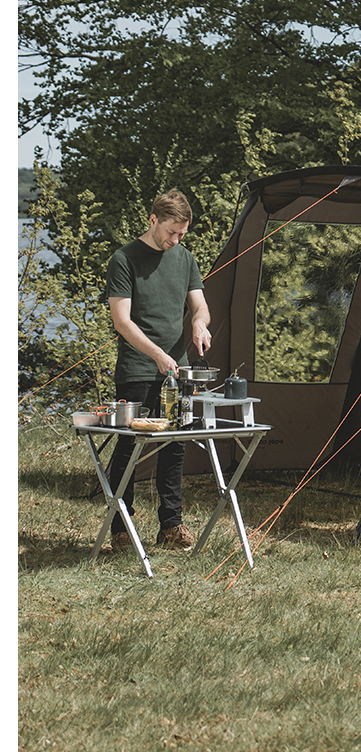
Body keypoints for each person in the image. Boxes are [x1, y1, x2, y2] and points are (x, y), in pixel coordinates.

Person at [105, 189, 211, 553]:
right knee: (128, 446)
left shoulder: (185, 258)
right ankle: (121, 527)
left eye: (182, 233)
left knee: (174, 445)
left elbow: (200, 306)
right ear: (153, 220)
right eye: (171, 232)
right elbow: (122, 321)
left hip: (176, 370)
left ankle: (171, 525)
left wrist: (199, 324)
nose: (176, 239)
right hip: (137, 368)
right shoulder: (124, 259)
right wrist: (156, 355)